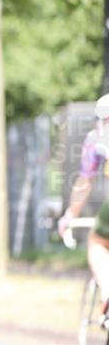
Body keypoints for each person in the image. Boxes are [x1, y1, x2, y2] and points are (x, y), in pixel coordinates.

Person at [58, 94, 109, 307]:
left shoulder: (98, 137)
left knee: (97, 242)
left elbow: (85, 182)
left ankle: (107, 290)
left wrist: (70, 215)